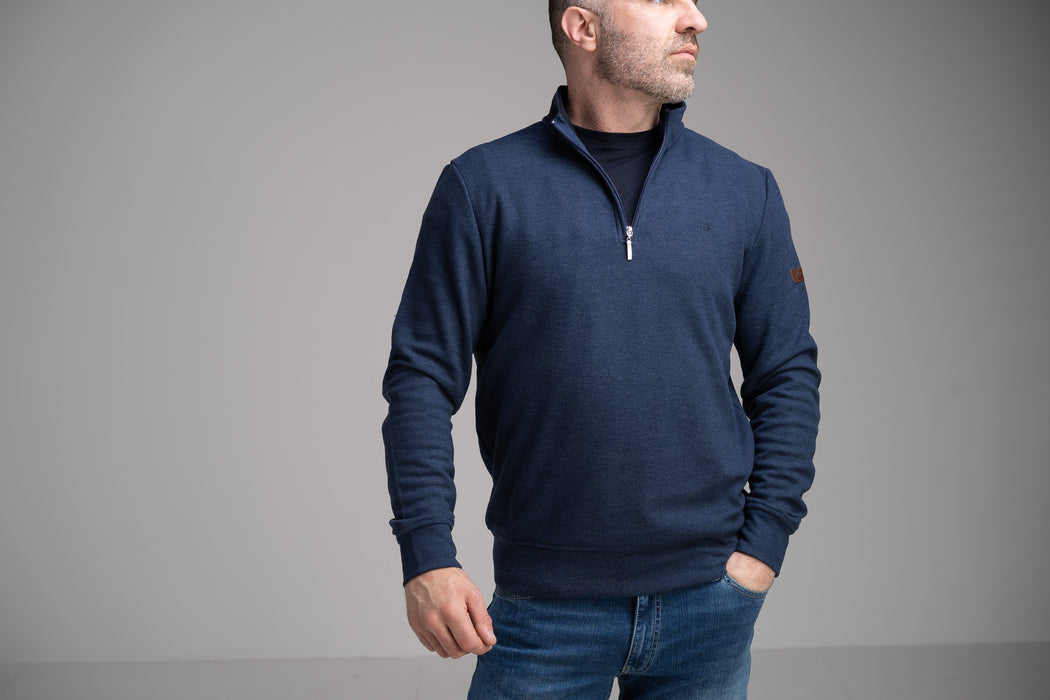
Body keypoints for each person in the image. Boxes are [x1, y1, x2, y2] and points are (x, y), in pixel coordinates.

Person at [381, 0, 820, 696]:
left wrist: (763, 547)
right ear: (582, 27)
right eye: (661, 0)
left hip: (711, 604)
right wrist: (427, 554)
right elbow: (421, 379)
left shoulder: (744, 189)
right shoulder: (482, 186)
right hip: (541, 610)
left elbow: (787, 373)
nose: (695, 18)